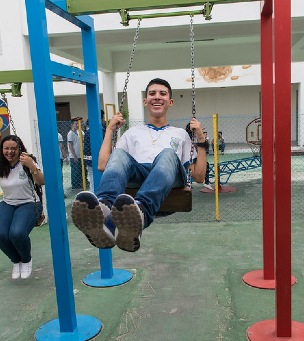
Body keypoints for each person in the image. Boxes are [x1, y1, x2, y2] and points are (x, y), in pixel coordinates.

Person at [71, 78, 207, 252]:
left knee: (167, 154)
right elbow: (103, 165)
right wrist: (110, 130)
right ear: (145, 101)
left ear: (170, 102)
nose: (157, 97)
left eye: (162, 94)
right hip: (139, 177)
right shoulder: (132, 133)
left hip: (169, 179)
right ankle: (104, 211)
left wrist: (201, 140)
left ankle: (142, 211)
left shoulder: (180, 133)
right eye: (152, 94)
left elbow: (199, 176)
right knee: (119, 153)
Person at [0, 135, 44, 280]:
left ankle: (26, 260)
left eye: (14, 148)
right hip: (8, 204)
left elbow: (41, 181)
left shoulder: (26, 161)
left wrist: (31, 166)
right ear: (2, 149)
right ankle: (16, 261)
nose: (10, 152)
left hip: (29, 203)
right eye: (6, 148)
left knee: (17, 234)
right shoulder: (0, 164)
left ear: (19, 149)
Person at [83, 110, 107, 192]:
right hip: (97, 160)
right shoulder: (100, 131)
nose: (104, 120)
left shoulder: (88, 131)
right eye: (103, 118)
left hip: (89, 160)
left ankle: (93, 198)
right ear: (101, 118)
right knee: (99, 182)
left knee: (93, 182)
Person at [67, 117, 86, 189]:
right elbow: (70, 145)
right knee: (75, 171)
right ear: (72, 125)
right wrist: (74, 155)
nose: (77, 125)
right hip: (74, 155)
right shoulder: (70, 134)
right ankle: (74, 185)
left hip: (80, 154)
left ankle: (80, 183)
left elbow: (83, 140)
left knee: (80, 171)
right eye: (75, 124)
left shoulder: (80, 132)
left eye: (78, 124)